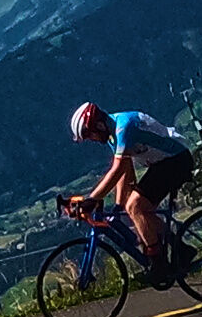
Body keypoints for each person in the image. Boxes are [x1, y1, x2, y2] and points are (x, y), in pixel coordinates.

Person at [68, 101, 195, 274]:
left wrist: (93, 199)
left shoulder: (123, 127)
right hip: (163, 164)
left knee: (135, 206)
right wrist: (119, 205)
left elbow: (118, 169)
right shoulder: (112, 133)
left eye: (90, 136)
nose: (93, 140)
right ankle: (181, 248)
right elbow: (125, 168)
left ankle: (158, 263)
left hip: (176, 160)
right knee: (135, 208)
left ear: (98, 125)